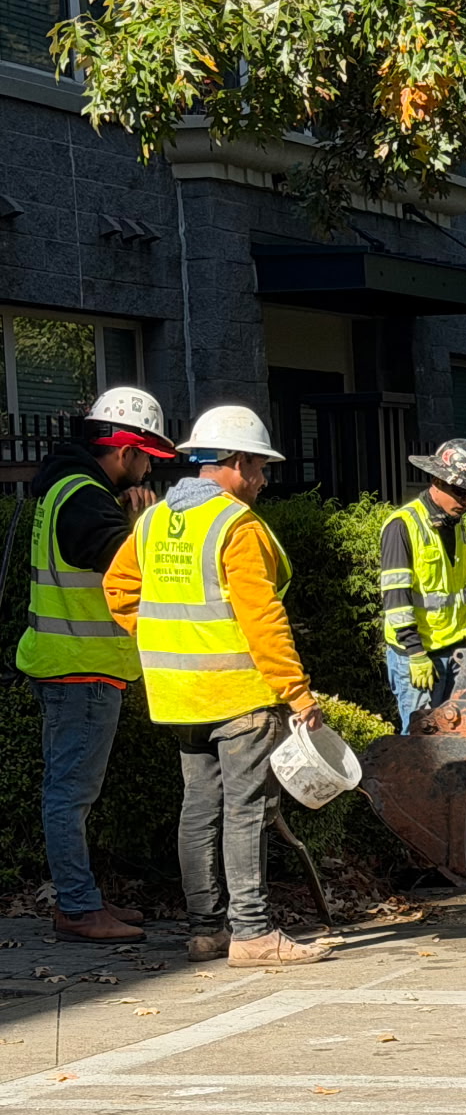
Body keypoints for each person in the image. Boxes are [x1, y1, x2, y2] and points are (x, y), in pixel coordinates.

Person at [104, 406, 329, 968]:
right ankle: (252, 931)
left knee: (199, 808)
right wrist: (298, 693)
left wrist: (162, 641)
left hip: (179, 697)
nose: (263, 480)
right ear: (237, 462)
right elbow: (263, 620)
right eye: (260, 467)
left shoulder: (153, 521)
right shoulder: (237, 526)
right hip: (239, 694)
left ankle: (206, 931)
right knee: (246, 810)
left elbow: (118, 590)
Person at [14, 389, 174, 942]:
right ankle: (79, 908)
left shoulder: (67, 488)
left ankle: (82, 900)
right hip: (81, 670)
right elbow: (130, 570)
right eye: (147, 457)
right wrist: (145, 524)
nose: (150, 469)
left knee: (70, 792)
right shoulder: (85, 498)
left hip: (69, 666)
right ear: (126, 451)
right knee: (69, 795)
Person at [379, 439, 466, 732]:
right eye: (461, 492)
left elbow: (452, 577)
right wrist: (416, 653)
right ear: (437, 481)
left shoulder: (454, 523)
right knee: (421, 743)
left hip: (457, 649)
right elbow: (396, 599)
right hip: (420, 655)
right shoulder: (402, 526)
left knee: (461, 734)